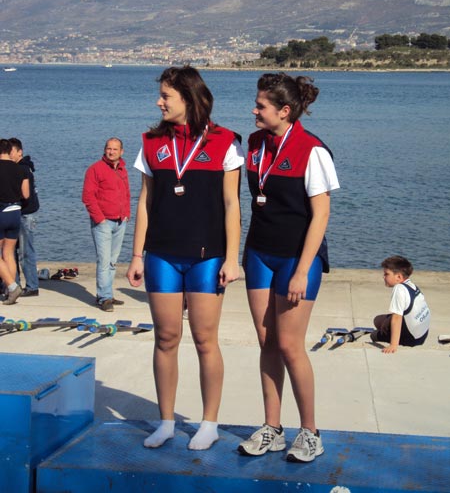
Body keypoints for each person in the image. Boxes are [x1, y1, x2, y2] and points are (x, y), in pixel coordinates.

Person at [127, 66, 243, 451]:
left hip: (207, 257)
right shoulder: (150, 142)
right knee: (166, 338)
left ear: (188, 98)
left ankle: (209, 423)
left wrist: (232, 258)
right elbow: (145, 201)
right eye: (160, 95)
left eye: (166, 96)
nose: (158, 102)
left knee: (205, 339)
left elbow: (232, 205)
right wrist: (136, 254)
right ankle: (165, 422)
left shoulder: (226, 142)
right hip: (161, 255)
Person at [238, 73, 339, 463]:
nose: (254, 110)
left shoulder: (312, 150)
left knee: (290, 346)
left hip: (297, 260)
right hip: (258, 254)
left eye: (260, 105)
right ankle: (272, 428)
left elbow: (321, 215)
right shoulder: (255, 143)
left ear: (283, 110)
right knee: (267, 343)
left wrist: (302, 270)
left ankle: (310, 432)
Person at [82, 137, 131, 311]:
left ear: (121, 152)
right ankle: (104, 298)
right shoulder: (95, 169)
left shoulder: (122, 169)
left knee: (112, 261)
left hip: (120, 221)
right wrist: (100, 219)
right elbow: (88, 197)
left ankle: (107, 293)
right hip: (103, 222)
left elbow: (126, 193)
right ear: (105, 150)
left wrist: (126, 213)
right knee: (104, 261)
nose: (111, 152)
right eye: (109, 148)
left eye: (115, 149)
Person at [371, 255, 430, 353]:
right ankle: (385, 330)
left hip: (412, 339)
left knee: (373, 335)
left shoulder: (399, 289)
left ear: (398, 277)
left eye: (386, 274)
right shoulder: (411, 285)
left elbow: (397, 318)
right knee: (377, 320)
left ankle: (383, 335)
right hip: (422, 335)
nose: (383, 277)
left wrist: (393, 345)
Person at [9, 138, 40, 297]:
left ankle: (31, 285)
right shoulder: (24, 167)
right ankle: (14, 283)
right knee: (13, 251)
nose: (9, 155)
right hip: (22, 213)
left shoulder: (23, 169)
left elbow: (25, 195)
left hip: (25, 214)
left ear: (19, 152)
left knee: (25, 251)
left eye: (11, 152)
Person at [0, 139, 30, 305]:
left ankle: (11, 287)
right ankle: (10, 289)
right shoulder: (21, 169)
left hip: (1, 211)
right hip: (15, 212)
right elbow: (26, 194)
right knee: (9, 253)